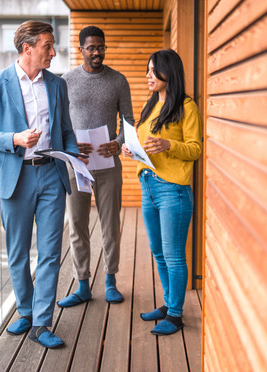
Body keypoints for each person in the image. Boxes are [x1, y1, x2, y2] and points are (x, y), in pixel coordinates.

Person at [0, 20, 81, 349]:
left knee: (50, 253)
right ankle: (25, 310)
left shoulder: (58, 85)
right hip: (16, 178)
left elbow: (65, 130)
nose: (54, 51)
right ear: (27, 48)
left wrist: (75, 155)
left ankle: (42, 322)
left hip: (51, 174)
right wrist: (14, 138)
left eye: (53, 45)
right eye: (48, 45)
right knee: (18, 253)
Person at [121, 49, 202, 335]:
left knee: (174, 254)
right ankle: (169, 305)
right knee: (158, 252)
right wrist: (131, 149)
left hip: (173, 190)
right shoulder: (152, 104)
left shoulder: (186, 106)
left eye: (154, 71)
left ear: (169, 72)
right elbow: (145, 142)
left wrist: (169, 146)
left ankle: (176, 315)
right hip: (148, 186)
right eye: (147, 70)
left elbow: (195, 149)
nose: (148, 76)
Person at [57, 26, 134, 308]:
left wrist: (118, 141)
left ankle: (111, 280)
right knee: (77, 225)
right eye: (91, 47)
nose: (97, 52)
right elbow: (60, 125)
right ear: (81, 50)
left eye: (101, 47)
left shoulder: (118, 80)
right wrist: (71, 144)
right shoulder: (66, 81)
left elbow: (129, 122)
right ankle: (83, 284)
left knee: (110, 225)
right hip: (76, 164)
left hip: (108, 163)